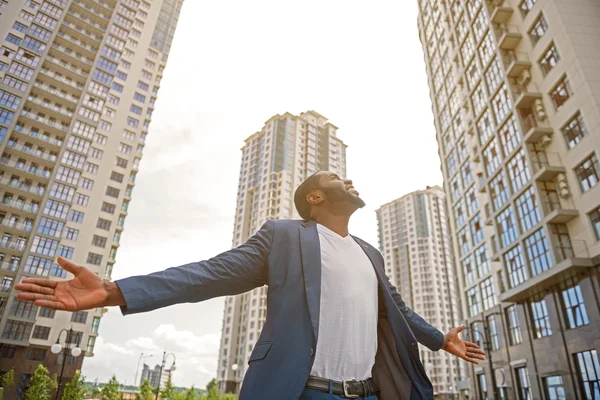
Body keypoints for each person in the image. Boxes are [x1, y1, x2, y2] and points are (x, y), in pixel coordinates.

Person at [16, 171, 485, 400]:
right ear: (315, 197)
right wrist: (116, 291)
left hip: (368, 394)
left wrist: (441, 339)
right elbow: (212, 273)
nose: (350, 179)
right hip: (301, 392)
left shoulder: (370, 253)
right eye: (335, 177)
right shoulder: (284, 236)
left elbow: (397, 310)